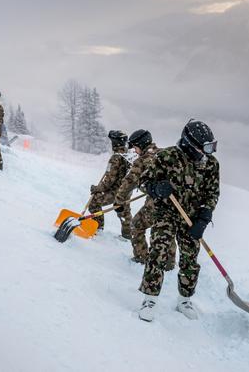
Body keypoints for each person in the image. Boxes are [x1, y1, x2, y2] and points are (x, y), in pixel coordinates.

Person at [137, 120, 220, 322]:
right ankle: (150, 298)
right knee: (158, 251)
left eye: (210, 148)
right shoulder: (167, 157)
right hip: (166, 212)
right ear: (188, 143)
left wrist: (204, 216)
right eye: (203, 148)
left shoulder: (210, 164)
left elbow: (212, 192)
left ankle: (184, 300)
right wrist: (156, 189)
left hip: (191, 217)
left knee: (190, 258)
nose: (206, 153)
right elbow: (143, 182)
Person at [114, 130, 177, 268]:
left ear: (141, 145)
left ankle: (141, 257)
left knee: (136, 225)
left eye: (135, 148)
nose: (135, 151)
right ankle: (168, 263)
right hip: (175, 204)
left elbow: (128, 183)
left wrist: (119, 201)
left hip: (155, 204)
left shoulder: (142, 161)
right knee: (167, 229)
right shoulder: (163, 154)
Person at [88, 130, 133, 237]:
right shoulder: (128, 155)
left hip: (116, 191)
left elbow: (109, 180)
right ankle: (127, 235)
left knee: (94, 203)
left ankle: (97, 228)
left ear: (115, 143)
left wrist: (97, 188)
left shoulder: (116, 158)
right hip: (126, 190)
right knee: (124, 211)